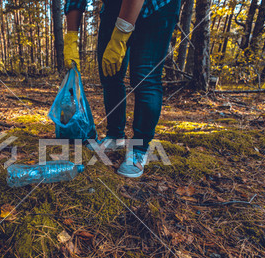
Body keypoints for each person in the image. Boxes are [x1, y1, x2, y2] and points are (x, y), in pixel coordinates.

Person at [63, 0, 180, 178]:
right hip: (114, 5)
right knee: (109, 71)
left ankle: (140, 149)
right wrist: (71, 37)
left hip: (157, 7)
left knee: (144, 76)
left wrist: (121, 34)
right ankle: (115, 136)